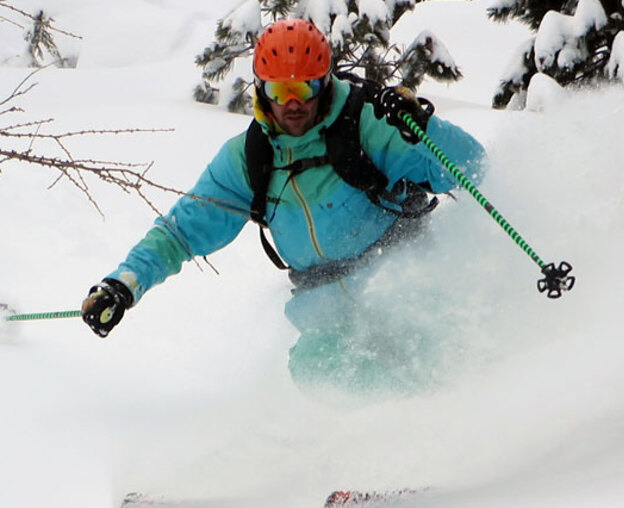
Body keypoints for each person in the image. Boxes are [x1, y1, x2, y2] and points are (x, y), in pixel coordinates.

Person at [82, 18, 486, 393]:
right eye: (279, 91)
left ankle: (462, 429)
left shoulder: (369, 124)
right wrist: (124, 285)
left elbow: (472, 168)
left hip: (407, 287)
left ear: (324, 84)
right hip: (330, 316)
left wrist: (423, 126)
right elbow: (181, 232)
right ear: (261, 90)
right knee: (313, 370)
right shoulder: (249, 158)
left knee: (432, 358)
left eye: (305, 88)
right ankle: (384, 449)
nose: (292, 104)